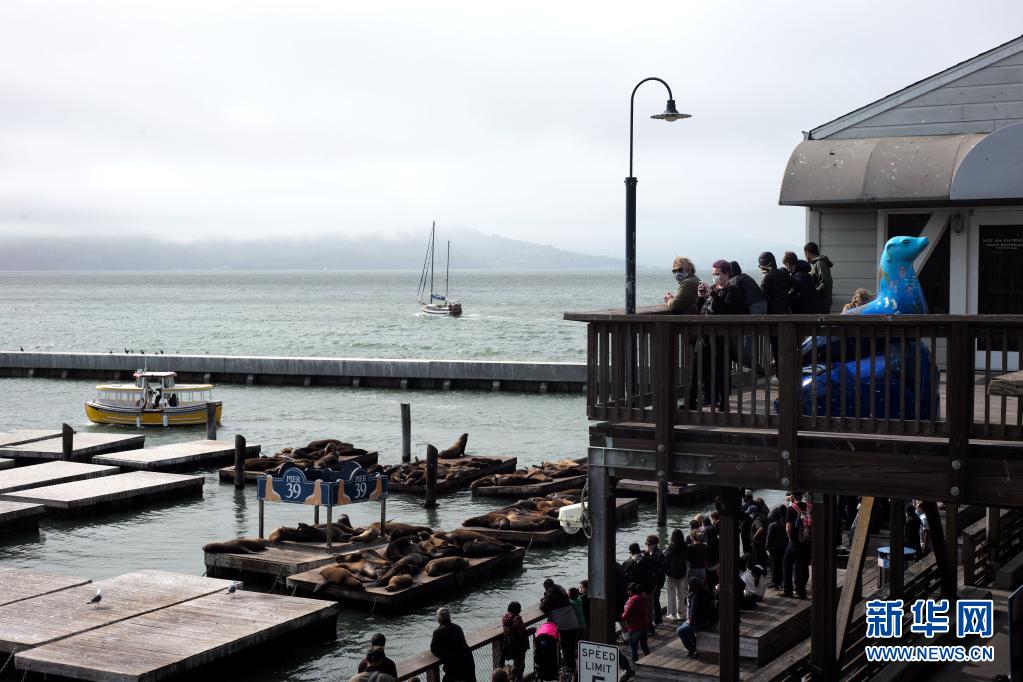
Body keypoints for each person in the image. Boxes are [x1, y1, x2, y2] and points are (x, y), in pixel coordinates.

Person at [539, 578, 579, 672]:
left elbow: (543, 607)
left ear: (546, 587)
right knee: (570, 647)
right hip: (572, 622)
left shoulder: (550, 594)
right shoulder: (561, 590)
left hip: (563, 625)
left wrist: (543, 601)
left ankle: (570, 668)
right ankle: (572, 666)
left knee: (565, 647)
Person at [430, 608, 475, 682]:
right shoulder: (458, 628)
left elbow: (433, 648)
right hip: (468, 664)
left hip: (454, 669)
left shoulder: (437, 632)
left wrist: (444, 656)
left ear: (439, 619)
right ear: (449, 617)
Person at [675, 577, 715, 658]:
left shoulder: (696, 596)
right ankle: (695, 646)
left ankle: (692, 650)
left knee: (680, 631)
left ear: (691, 587)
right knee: (683, 627)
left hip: (703, 622)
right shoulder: (702, 592)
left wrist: (690, 620)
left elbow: (694, 611)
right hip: (705, 620)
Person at [783, 492, 812, 599]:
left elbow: (788, 528)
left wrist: (790, 539)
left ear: (793, 497)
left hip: (795, 542)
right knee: (802, 565)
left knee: (786, 564)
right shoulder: (809, 507)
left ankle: (788, 590)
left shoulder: (792, 509)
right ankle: (801, 591)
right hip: (807, 543)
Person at [621, 582, 650, 664]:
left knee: (634, 649)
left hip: (634, 628)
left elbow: (625, 616)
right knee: (645, 647)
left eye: (628, 590)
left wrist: (621, 615)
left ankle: (635, 664)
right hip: (644, 625)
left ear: (632, 591)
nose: (627, 592)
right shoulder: (644, 596)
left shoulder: (631, 601)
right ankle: (650, 660)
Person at [501, 601, 530, 682]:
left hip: (510, 645)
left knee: (516, 665)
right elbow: (522, 633)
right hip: (519, 646)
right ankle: (517, 680)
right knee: (519, 666)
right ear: (518, 610)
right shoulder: (517, 618)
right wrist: (532, 630)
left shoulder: (505, 618)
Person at [644, 534, 667, 633]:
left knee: (655, 600)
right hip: (653, 581)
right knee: (654, 600)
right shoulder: (651, 553)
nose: (647, 546)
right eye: (646, 544)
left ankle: (657, 620)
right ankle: (657, 619)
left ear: (654, 545)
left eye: (648, 544)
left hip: (657, 581)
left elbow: (664, 567)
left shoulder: (659, 554)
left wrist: (655, 574)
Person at [663, 529, 688, 620]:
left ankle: (673, 614)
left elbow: (665, 557)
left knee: (671, 594)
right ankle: (680, 612)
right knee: (681, 593)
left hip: (671, 574)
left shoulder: (670, 548)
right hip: (681, 573)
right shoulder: (685, 547)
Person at [804, 242, 834, 313]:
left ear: (807, 252)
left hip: (821, 303)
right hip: (819, 302)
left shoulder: (820, 263)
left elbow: (826, 282)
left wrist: (813, 293)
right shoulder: (816, 264)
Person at [766, 505, 787, 590]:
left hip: (773, 549)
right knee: (780, 565)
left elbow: (769, 539)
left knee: (774, 566)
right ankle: (780, 582)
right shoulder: (782, 524)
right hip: (782, 548)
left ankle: (775, 582)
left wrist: (767, 547)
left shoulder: (772, 525)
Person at [749, 504, 769, 569]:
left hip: (757, 544)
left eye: (750, 513)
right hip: (762, 542)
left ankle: (759, 572)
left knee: (758, 560)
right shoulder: (762, 516)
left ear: (753, 512)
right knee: (762, 558)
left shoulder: (757, 520)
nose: (749, 515)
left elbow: (761, 528)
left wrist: (754, 537)